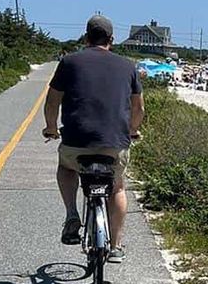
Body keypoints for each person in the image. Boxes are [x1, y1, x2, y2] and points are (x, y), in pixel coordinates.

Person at [43, 14, 144, 264]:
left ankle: (72, 215)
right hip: (114, 145)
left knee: (66, 167)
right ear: (111, 39)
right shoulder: (128, 66)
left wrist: (51, 128)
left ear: (86, 37)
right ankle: (117, 245)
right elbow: (139, 109)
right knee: (117, 186)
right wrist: (132, 130)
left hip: (76, 141)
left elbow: (52, 101)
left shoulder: (69, 61)